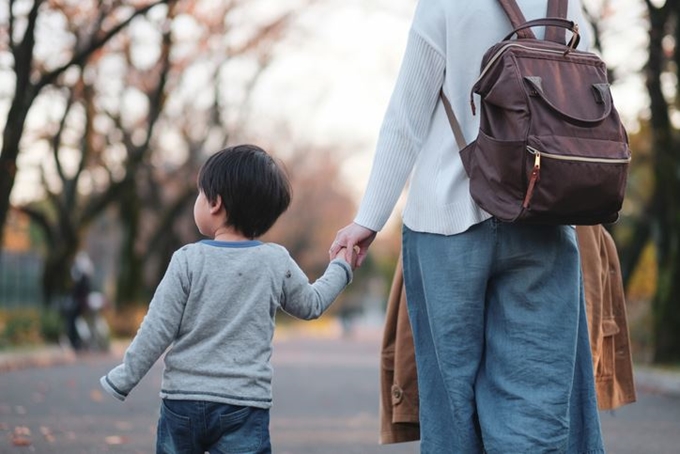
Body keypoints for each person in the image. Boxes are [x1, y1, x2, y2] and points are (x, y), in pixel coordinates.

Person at [330, 1, 605, 452]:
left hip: (445, 223)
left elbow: (407, 116)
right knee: (535, 404)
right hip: (544, 217)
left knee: (450, 404)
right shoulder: (566, 5)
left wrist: (368, 219)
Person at [101, 144, 356, 454]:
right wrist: (341, 268)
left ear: (215, 203)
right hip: (244, 405)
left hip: (183, 401)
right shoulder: (275, 261)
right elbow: (312, 304)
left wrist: (124, 378)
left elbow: (158, 328)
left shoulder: (188, 260)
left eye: (199, 193)